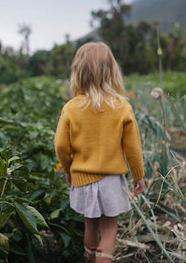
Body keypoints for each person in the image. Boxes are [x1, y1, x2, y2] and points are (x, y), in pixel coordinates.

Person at [54, 41, 146, 263]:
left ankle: (90, 257)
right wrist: (138, 175)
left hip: (83, 179)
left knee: (90, 222)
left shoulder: (71, 107)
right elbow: (132, 147)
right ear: (111, 71)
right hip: (112, 179)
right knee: (109, 228)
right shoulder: (121, 106)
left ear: (78, 72)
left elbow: (60, 145)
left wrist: (68, 169)